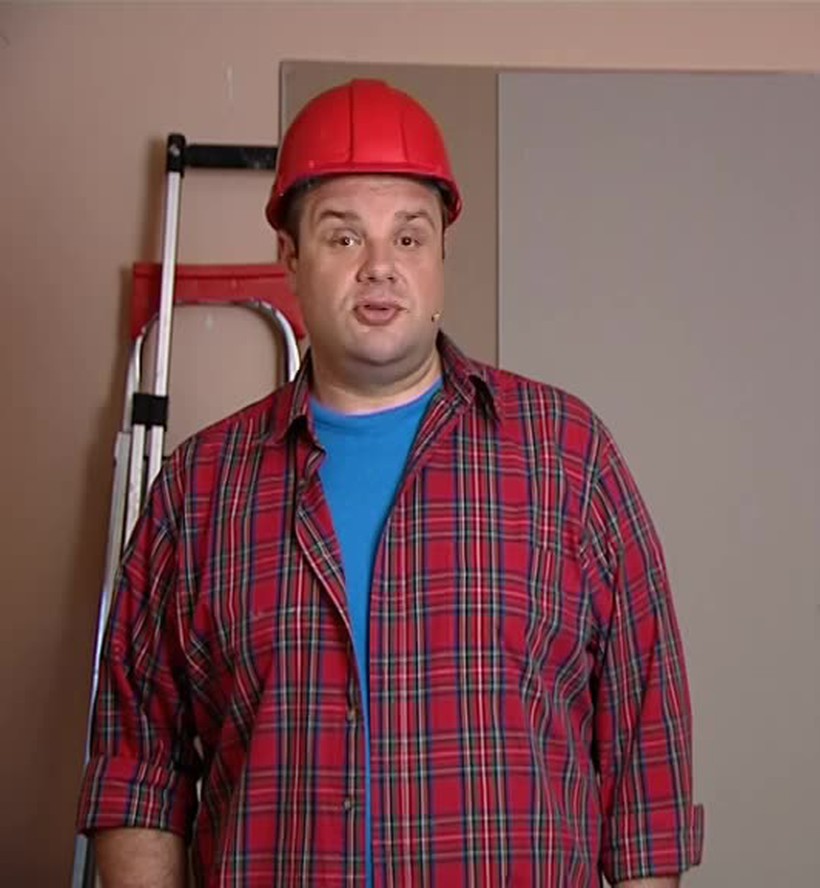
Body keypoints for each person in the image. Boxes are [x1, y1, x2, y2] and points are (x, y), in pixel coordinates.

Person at [77, 79, 703, 887]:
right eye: (343, 237)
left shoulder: (567, 459)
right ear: (290, 257)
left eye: (409, 237)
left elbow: (645, 766)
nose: (380, 267)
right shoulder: (199, 493)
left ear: (441, 254)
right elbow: (138, 771)